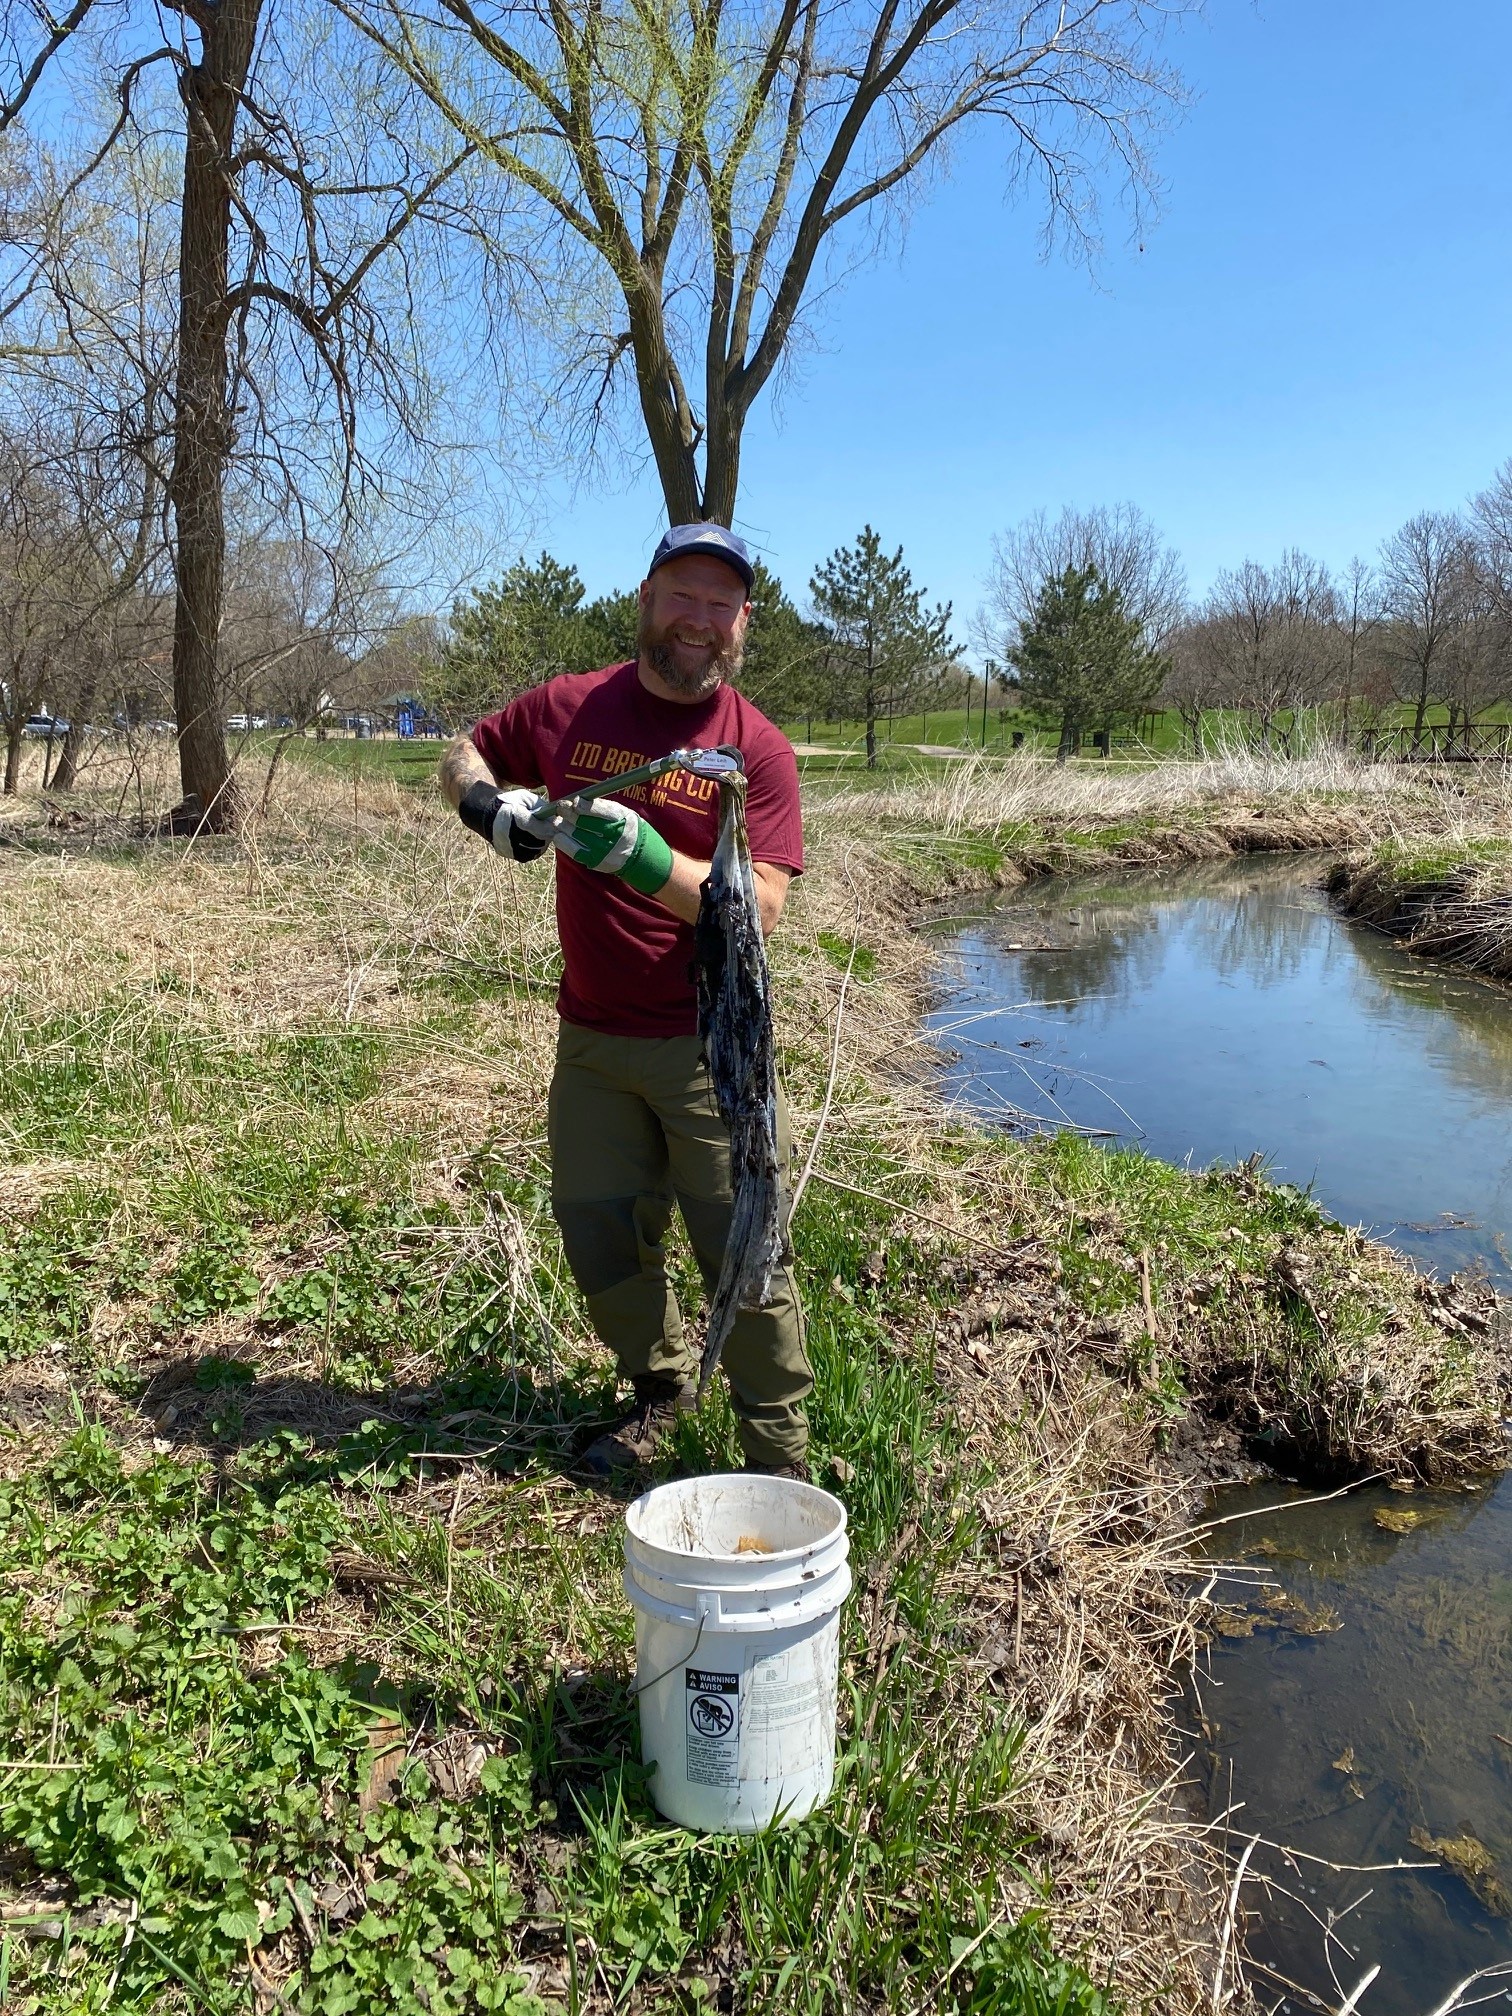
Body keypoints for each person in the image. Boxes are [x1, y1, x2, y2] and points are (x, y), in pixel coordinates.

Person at [438, 523, 811, 1480]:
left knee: (746, 1256)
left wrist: (646, 861)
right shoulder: (572, 707)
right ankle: (661, 1392)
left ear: (743, 623)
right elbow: (465, 749)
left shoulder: (754, 749)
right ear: (646, 600)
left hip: (709, 1050)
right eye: (682, 597)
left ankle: (779, 1462)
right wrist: (492, 812)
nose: (700, 621)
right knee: (601, 1235)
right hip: (591, 1039)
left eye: (719, 605)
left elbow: (758, 908)